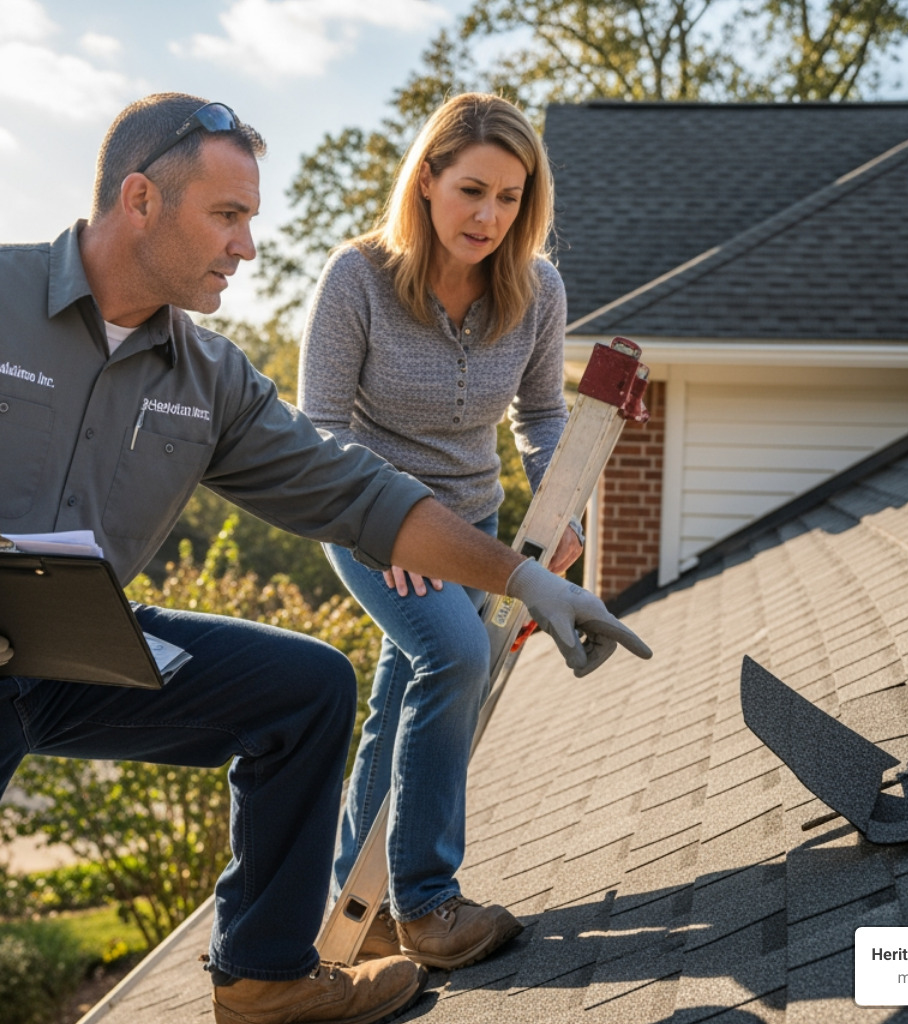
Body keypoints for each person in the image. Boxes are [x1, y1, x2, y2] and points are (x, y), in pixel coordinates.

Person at [0, 92, 650, 1024]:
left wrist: (519, 573)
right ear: (140, 199)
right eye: (228, 215)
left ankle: (264, 977)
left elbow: (354, 490)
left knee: (305, 690)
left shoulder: (209, 380)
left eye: (248, 219)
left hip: (69, 651)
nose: (246, 246)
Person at [298, 93, 590, 970]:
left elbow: (539, 414)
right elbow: (319, 430)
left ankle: (363, 903)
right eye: (471, 191)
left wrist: (560, 504)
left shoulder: (535, 288)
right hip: (364, 516)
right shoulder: (357, 277)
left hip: (475, 522)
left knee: (402, 695)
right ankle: (427, 905)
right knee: (456, 658)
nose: (490, 217)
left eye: (510, 198)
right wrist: (392, 531)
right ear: (425, 180)